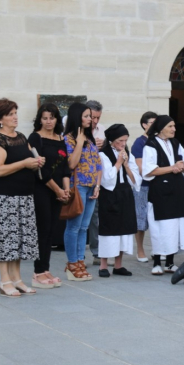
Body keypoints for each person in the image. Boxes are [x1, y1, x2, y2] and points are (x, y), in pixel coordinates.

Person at [0, 98, 44, 297]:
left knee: (19, 240)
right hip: (5, 198)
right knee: (5, 240)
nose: (15, 117)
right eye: (10, 114)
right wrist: (24, 164)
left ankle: (17, 279)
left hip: (24, 197)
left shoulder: (20, 136)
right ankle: (5, 281)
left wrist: (37, 161)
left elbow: (28, 159)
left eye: (15, 113)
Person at [28, 103, 71, 289]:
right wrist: (57, 190)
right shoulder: (35, 137)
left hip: (58, 191)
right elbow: (41, 170)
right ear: (39, 119)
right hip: (42, 189)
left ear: (56, 119)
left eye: (51, 118)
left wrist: (66, 190)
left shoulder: (60, 138)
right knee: (43, 230)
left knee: (52, 230)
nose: (48, 121)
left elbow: (65, 168)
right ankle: (38, 272)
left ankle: (45, 269)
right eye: (44, 118)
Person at [142, 115, 184, 275]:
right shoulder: (150, 145)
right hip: (160, 192)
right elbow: (149, 170)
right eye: (170, 126)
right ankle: (157, 261)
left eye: (174, 126)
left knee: (174, 226)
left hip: (177, 189)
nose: (174, 129)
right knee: (160, 227)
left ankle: (170, 262)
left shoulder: (175, 143)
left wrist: (181, 166)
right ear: (161, 128)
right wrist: (172, 168)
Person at [63, 102, 102, 281]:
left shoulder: (90, 137)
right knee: (74, 227)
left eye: (91, 116)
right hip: (77, 186)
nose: (90, 120)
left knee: (84, 227)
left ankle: (80, 261)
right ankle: (72, 263)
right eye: (86, 116)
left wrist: (97, 185)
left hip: (91, 186)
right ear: (77, 117)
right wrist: (79, 143)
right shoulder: (69, 138)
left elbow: (97, 163)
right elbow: (71, 164)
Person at [97, 124, 141, 277]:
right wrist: (117, 163)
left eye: (125, 140)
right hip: (110, 195)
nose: (123, 144)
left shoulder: (127, 153)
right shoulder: (103, 154)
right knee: (109, 230)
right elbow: (107, 179)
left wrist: (126, 165)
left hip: (125, 195)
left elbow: (136, 181)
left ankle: (118, 265)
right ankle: (103, 265)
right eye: (120, 141)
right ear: (111, 140)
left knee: (124, 230)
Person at [131, 111, 157, 262]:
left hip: (157, 185)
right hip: (143, 185)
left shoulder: (159, 141)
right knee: (141, 218)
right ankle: (140, 250)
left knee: (156, 219)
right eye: (152, 123)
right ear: (144, 125)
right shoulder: (139, 143)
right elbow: (141, 168)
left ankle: (157, 248)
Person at [85, 100, 106, 264]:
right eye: (93, 117)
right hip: (80, 178)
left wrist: (103, 145)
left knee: (95, 216)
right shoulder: (76, 130)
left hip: (96, 178)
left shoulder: (102, 131)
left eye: (98, 117)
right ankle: (77, 255)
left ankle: (97, 251)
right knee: (78, 218)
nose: (95, 121)